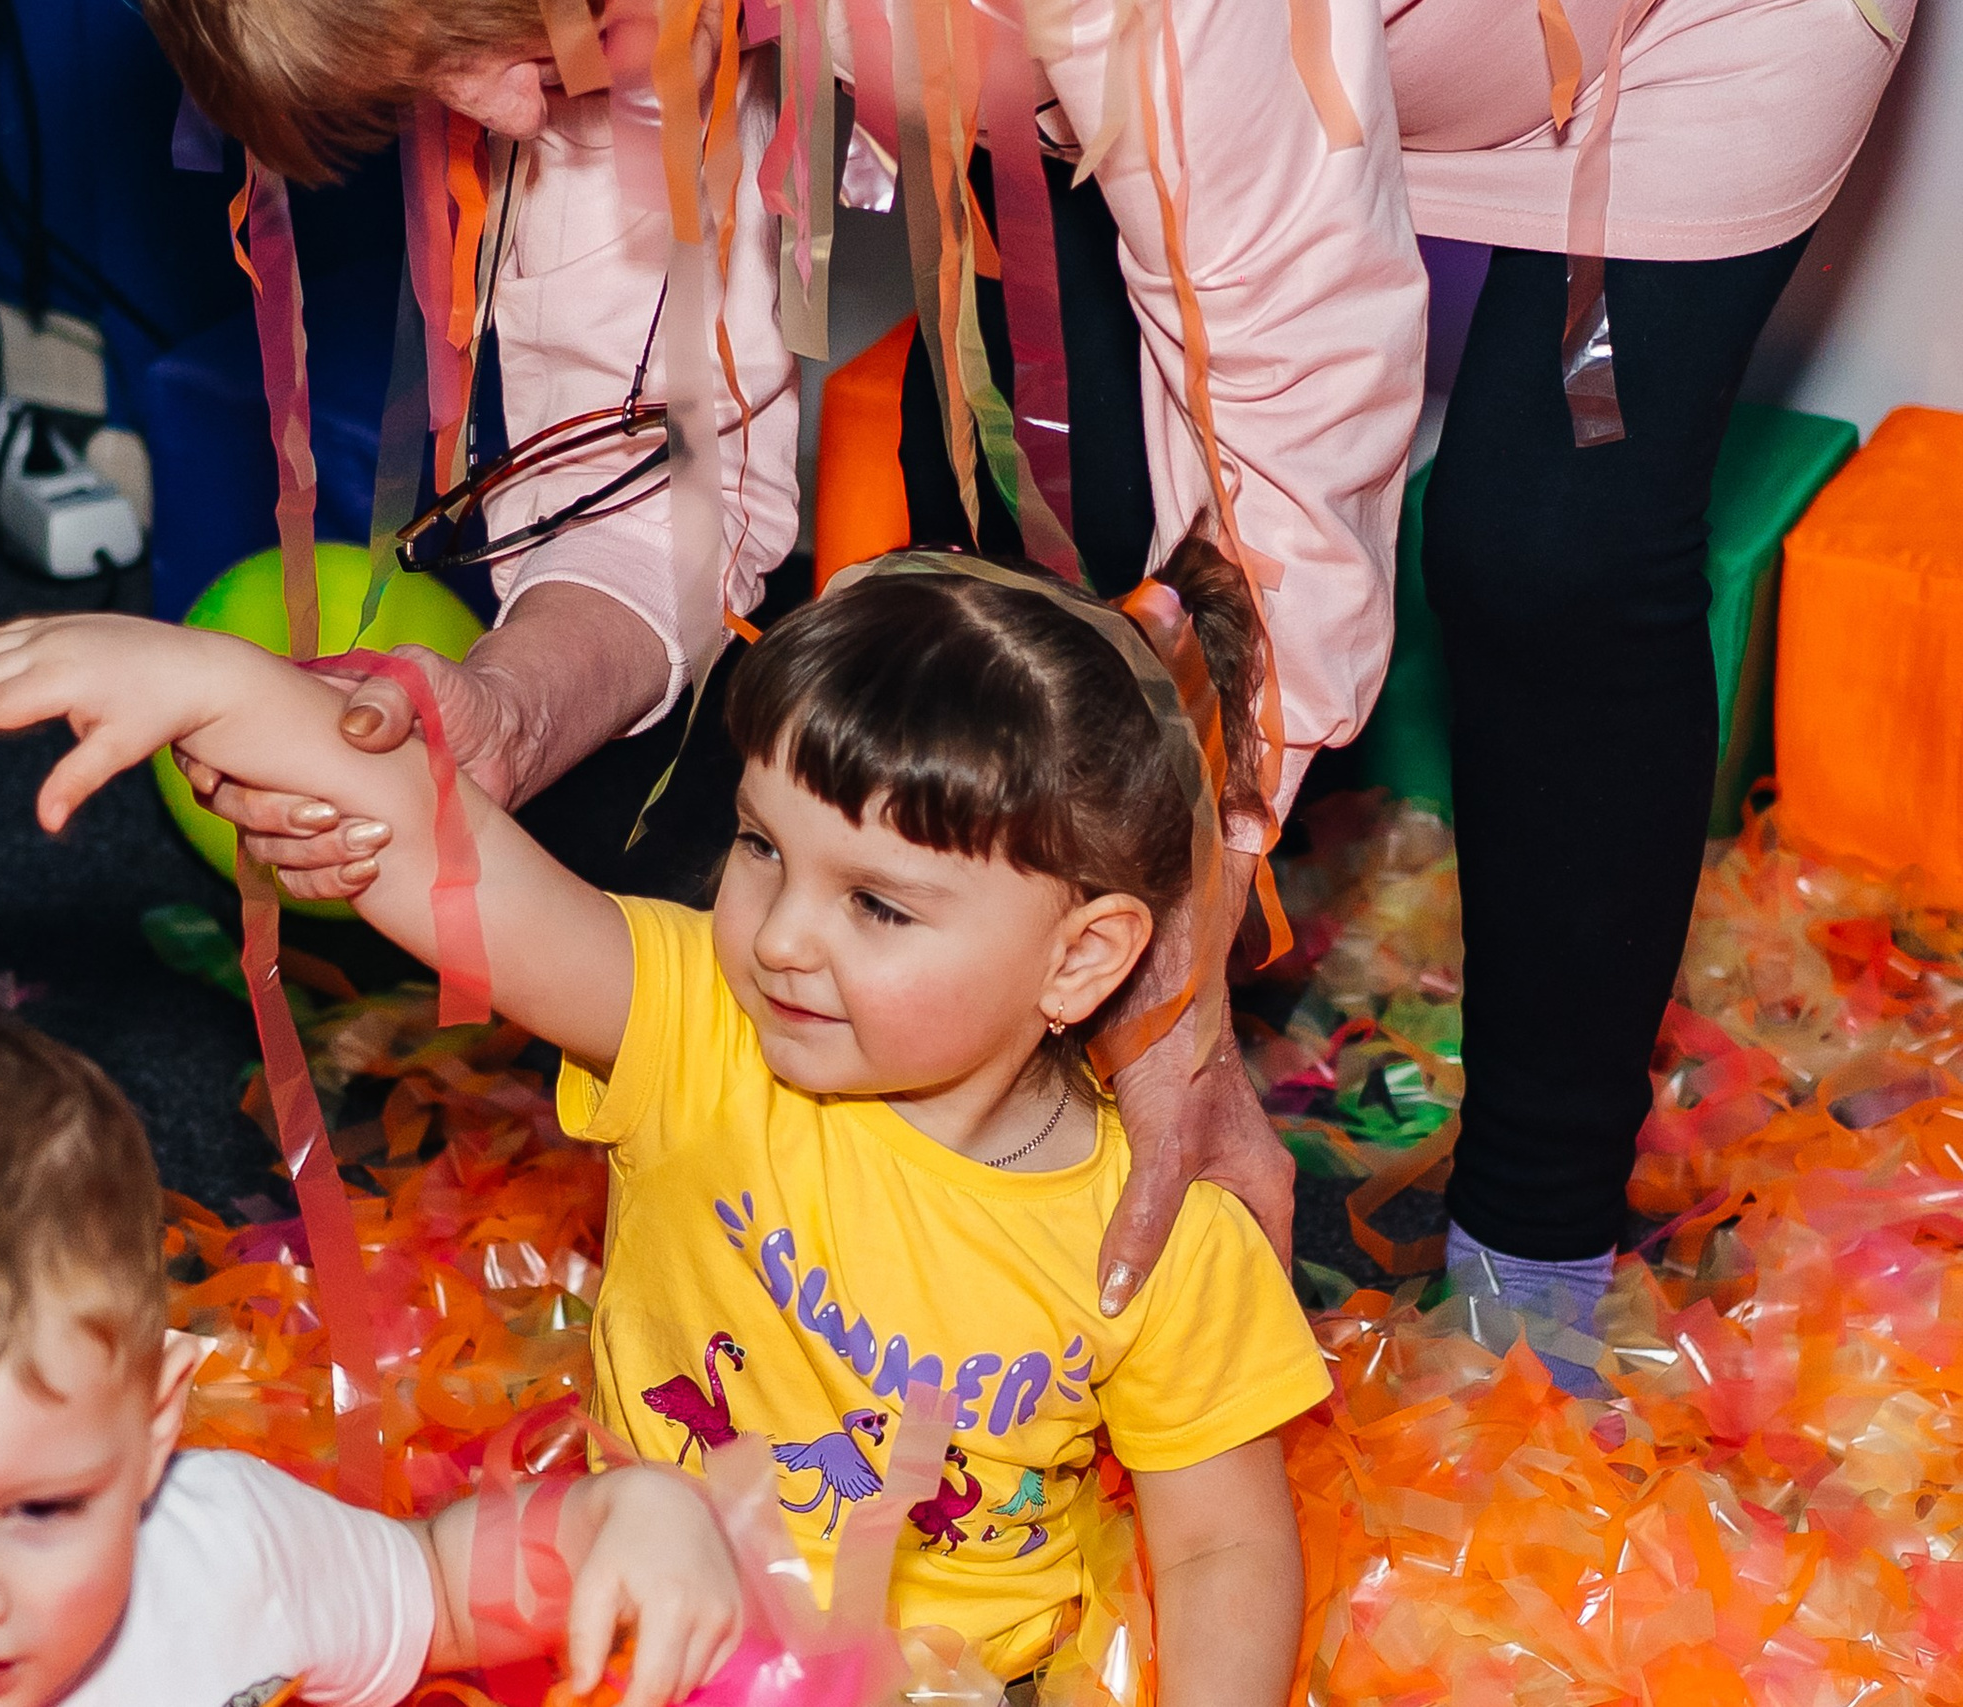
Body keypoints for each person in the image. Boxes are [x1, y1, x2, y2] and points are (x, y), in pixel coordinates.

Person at [137, 0, 1912, 1355]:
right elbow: (651, 467)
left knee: (1549, 547)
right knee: (1030, 514)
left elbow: (1286, 447)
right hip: (1155, 59)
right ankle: (994, 1184)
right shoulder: (573, 33)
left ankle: (1541, 1254)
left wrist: (1181, 977)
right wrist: (498, 714)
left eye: (497, 40)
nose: (501, 107)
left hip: (1668, 24)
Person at [0, 534, 1331, 1698]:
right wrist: (204, 679)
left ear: (1082, 956)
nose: (778, 937)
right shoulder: (702, 1028)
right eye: (765, 848)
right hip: (643, 1620)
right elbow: (442, 849)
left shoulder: (1157, 1229)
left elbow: (1220, 1546)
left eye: (878, 902)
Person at [0, 1002, 742, 1707]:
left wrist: (617, 1519)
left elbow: (430, 1592)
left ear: (152, 1427)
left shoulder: (220, 1548)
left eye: (38, 1510)